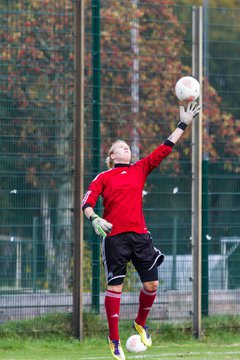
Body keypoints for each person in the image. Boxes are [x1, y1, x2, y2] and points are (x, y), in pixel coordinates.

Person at [82, 102, 200, 360]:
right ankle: (114, 340)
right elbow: (87, 203)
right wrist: (94, 219)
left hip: (140, 237)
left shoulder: (139, 169)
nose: (126, 147)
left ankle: (139, 322)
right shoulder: (103, 177)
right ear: (112, 156)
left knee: (152, 283)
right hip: (114, 238)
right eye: (120, 147)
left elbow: (164, 149)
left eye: (128, 146)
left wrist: (183, 124)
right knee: (115, 289)